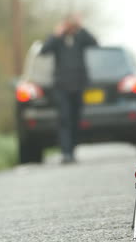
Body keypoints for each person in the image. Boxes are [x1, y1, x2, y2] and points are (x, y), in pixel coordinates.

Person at [40, 14, 98, 164]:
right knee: (64, 119)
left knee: (76, 119)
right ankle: (66, 153)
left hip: (79, 86)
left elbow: (95, 43)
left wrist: (82, 27)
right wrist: (55, 34)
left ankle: (72, 150)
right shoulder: (57, 40)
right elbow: (44, 50)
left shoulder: (81, 38)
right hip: (62, 87)